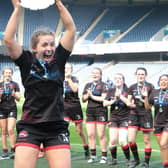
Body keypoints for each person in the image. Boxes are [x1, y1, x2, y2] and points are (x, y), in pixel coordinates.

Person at [4, 0, 76, 167]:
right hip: (30, 126)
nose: (50, 48)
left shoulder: (59, 59)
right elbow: (8, 39)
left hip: (56, 127)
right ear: (35, 48)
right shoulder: (26, 61)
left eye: (52, 44)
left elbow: (71, 30)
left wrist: (58, 2)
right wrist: (17, 9)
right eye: (45, 45)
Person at [127, 67, 154, 168]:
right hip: (134, 115)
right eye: (139, 74)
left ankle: (146, 163)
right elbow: (129, 102)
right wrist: (132, 104)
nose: (140, 76)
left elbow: (150, 106)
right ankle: (136, 160)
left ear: (145, 75)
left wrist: (143, 98)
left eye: (142, 74)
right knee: (130, 140)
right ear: (136, 75)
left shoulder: (150, 87)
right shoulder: (132, 87)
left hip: (146, 115)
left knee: (146, 140)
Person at [82, 67, 108, 164]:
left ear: (100, 75)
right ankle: (93, 156)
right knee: (90, 134)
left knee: (101, 135)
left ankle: (104, 156)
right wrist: (87, 96)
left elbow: (103, 98)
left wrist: (92, 96)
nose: (95, 75)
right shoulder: (88, 85)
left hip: (100, 111)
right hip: (90, 111)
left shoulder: (104, 85)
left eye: (97, 73)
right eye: (93, 73)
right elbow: (83, 99)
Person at [64, 62, 89, 159]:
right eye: (65, 68)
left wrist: (68, 78)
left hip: (75, 107)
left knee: (79, 131)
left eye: (69, 68)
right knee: (64, 129)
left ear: (71, 70)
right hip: (63, 108)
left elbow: (75, 89)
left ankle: (86, 148)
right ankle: (66, 150)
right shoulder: (60, 79)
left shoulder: (74, 79)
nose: (67, 69)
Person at [103, 73, 130, 166]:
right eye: (116, 79)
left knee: (122, 140)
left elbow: (129, 103)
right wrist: (114, 100)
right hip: (114, 118)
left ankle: (128, 159)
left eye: (120, 78)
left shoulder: (127, 90)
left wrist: (121, 97)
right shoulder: (111, 90)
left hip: (125, 118)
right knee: (113, 140)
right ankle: (114, 159)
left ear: (123, 80)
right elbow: (104, 103)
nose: (118, 80)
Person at [143, 74, 168, 168]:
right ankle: (165, 164)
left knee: (163, 143)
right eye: (162, 80)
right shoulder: (154, 92)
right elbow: (147, 107)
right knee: (163, 146)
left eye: (166, 80)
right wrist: (145, 97)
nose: (163, 82)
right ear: (159, 82)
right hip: (157, 123)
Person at [0, 67, 21, 159]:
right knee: (4, 130)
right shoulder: (0, 85)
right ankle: (5, 150)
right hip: (1, 109)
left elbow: (19, 98)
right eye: (6, 72)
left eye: (9, 73)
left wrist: (14, 94)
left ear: (11, 74)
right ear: (3, 74)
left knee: (10, 129)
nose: (8, 74)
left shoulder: (15, 84)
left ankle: (13, 149)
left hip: (12, 108)